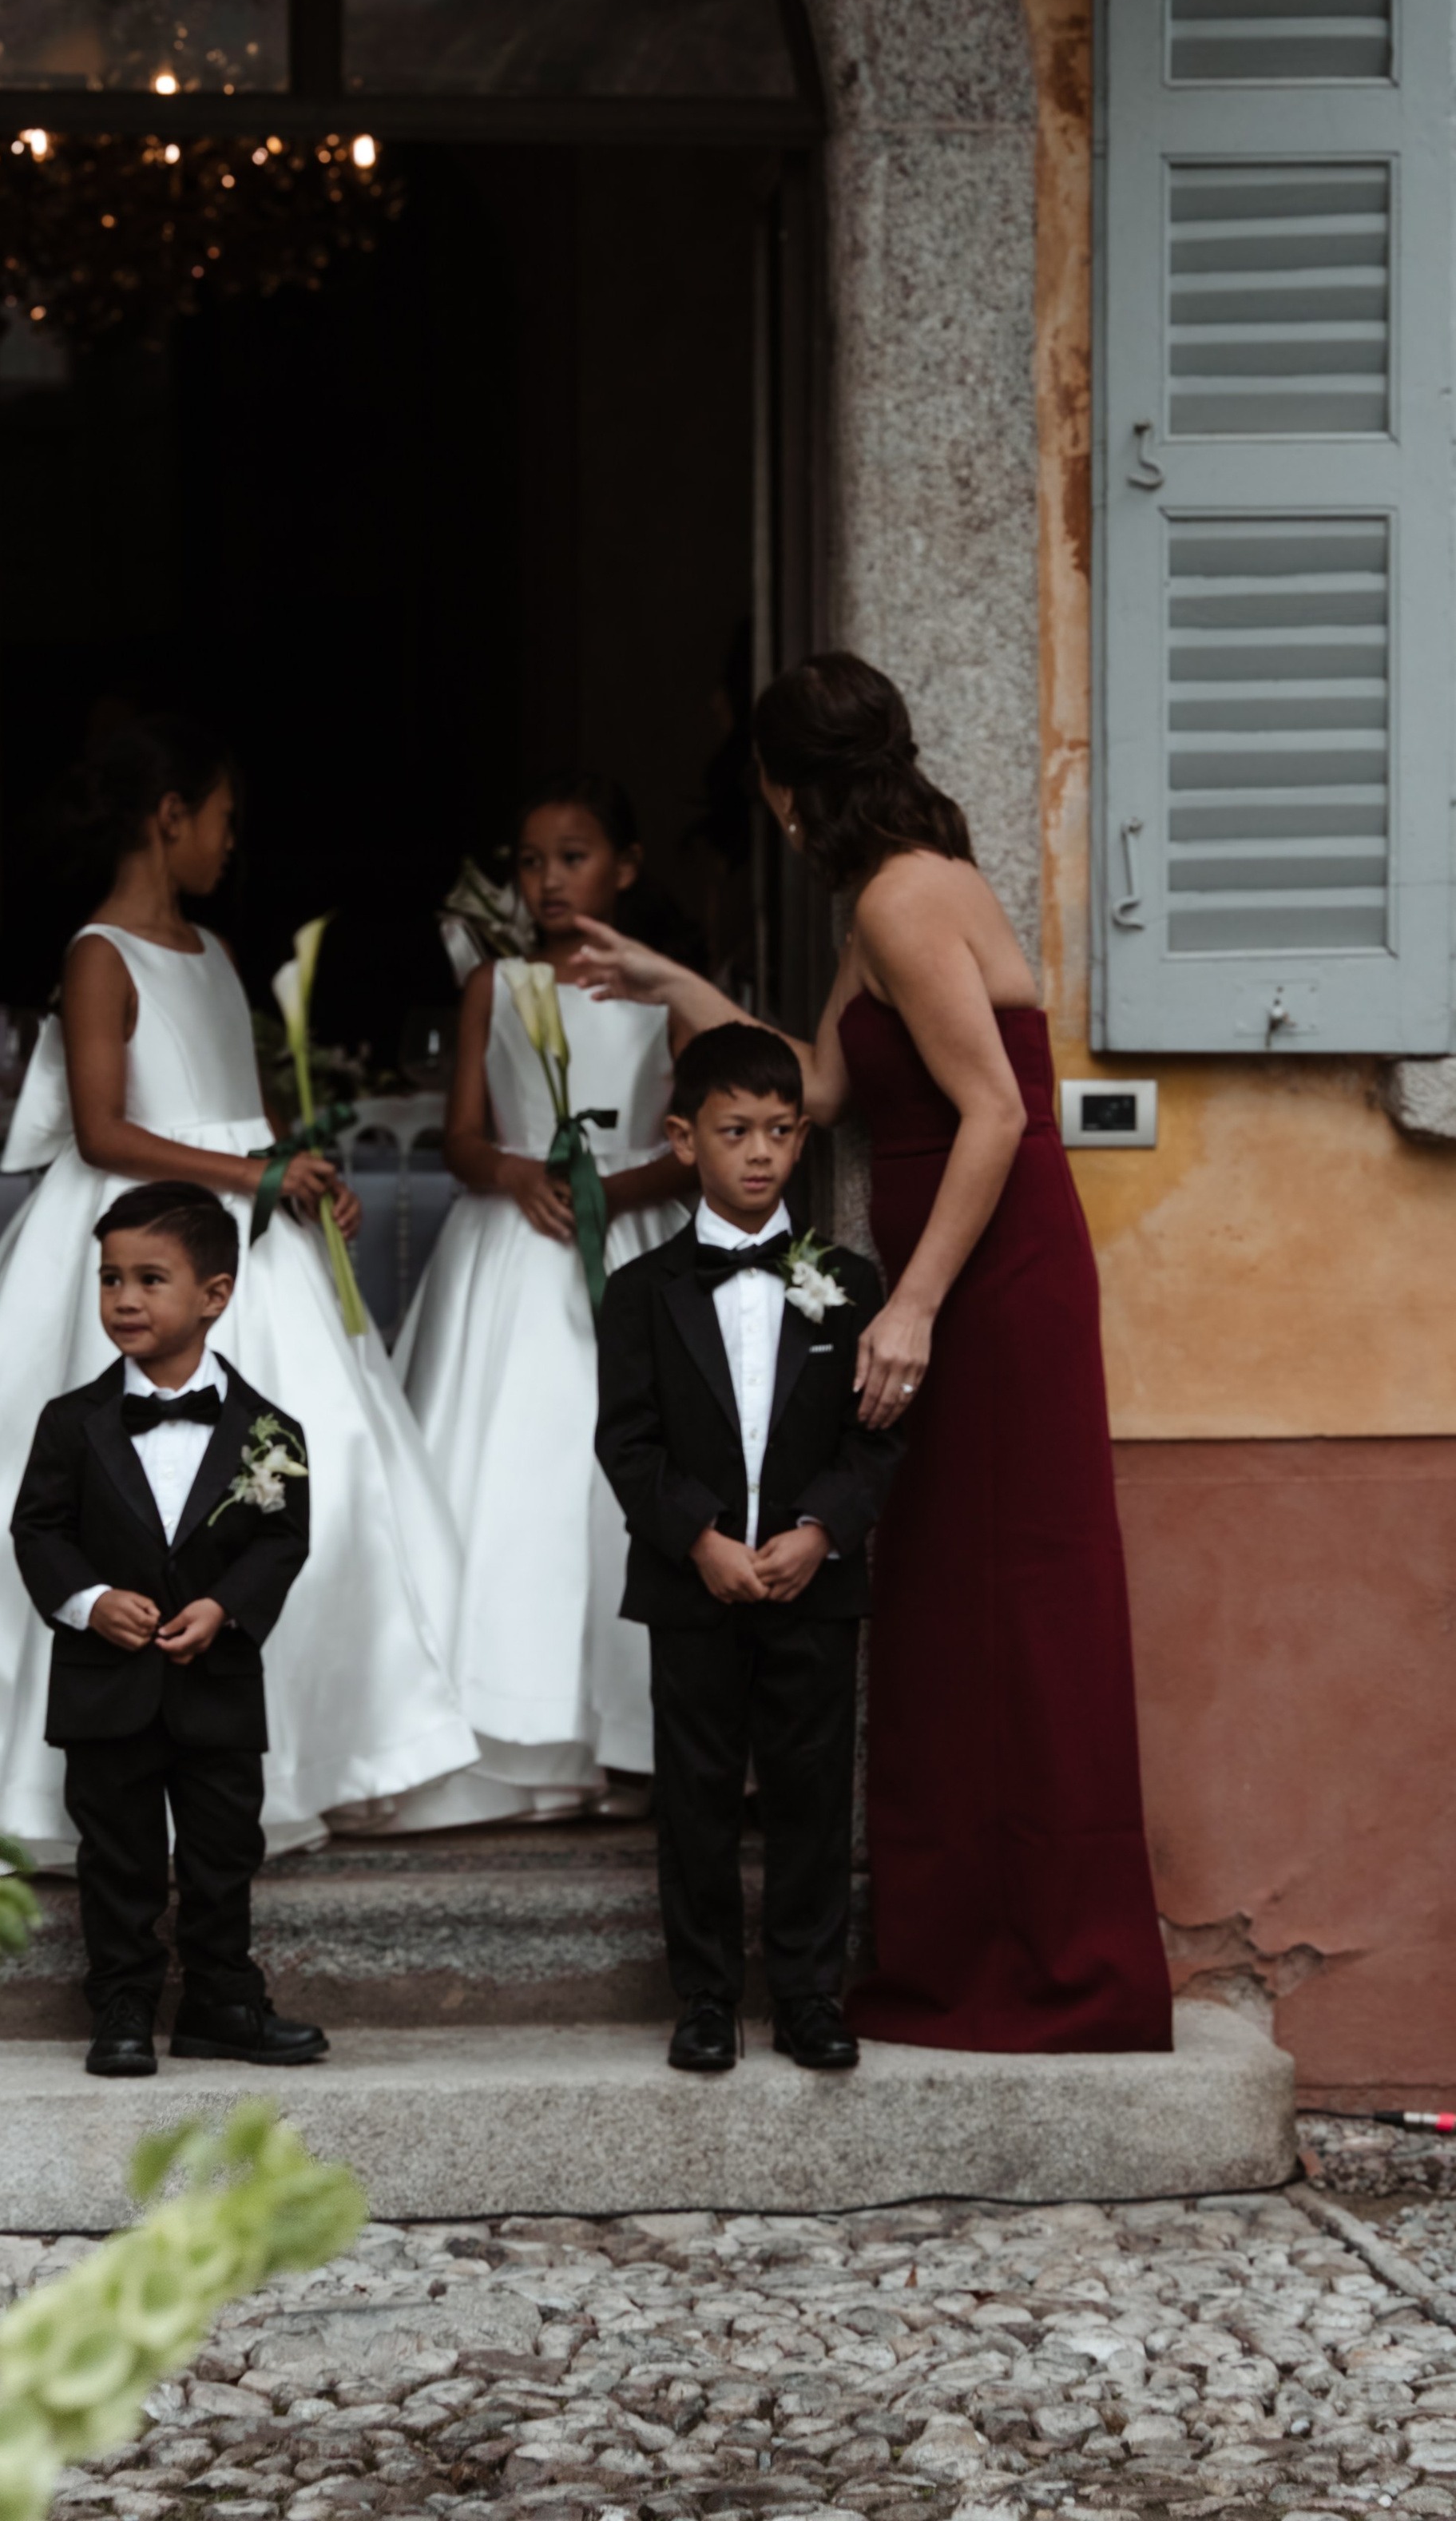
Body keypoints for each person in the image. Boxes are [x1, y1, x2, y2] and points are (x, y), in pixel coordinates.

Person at [573, 649, 1173, 2055]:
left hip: (988, 1284)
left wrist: (910, 1306)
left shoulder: (905, 900)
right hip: (959, 1278)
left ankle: (1040, 1956)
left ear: (790, 789)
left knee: (1006, 1607)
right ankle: (966, 1934)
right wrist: (676, 982)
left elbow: (995, 1116)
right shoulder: (896, 888)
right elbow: (824, 1087)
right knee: (954, 1607)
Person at [0, 714, 479, 1864]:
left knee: (304, 1492)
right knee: (121, 1497)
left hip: (245, 1241)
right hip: (140, 1237)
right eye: (225, 820)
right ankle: (91, 1769)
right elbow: (103, 1127)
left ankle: (313, 1749)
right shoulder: (99, 952)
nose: (232, 844)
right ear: (169, 817)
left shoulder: (218, 955)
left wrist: (300, 1180)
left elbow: (240, 1108)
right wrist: (253, 1174)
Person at [596, 1020, 900, 2074]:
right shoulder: (641, 1293)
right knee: (698, 1794)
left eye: (781, 1130)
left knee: (815, 1793)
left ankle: (811, 1993)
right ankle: (707, 1996)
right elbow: (626, 1441)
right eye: (736, 1130)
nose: (761, 1152)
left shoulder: (851, 1286)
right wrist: (701, 1542)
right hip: (697, 1590)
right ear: (685, 1140)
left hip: (816, 1586)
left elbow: (880, 1437)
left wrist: (821, 1530)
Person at [395, 776, 693, 1815]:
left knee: (621, 1481)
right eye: (530, 860)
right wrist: (517, 1174)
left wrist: (616, 1188)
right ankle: (513, 1731)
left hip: (635, 1236)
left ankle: (635, 1734)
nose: (549, 878)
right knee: (512, 1475)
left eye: (573, 855)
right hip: (513, 1254)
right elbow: (463, 1136)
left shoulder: (667, 992)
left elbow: (703, 1140)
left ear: (626, 864)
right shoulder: (497, 983)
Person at [10, 1181, 326, 2078]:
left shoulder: (271, 1430)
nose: (125, 1300)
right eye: (111, 1280)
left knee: (224, 1850)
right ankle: (121, 2002)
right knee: (118, 1853)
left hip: (214, 1684)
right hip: (105, 1690)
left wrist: (225, 1607)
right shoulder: (70, 1422)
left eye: (151, 1280)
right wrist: (89, 1601)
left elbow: (281, 1539)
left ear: (214, 1295)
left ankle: (223, 2001)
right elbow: (37, 1530)